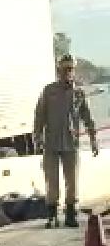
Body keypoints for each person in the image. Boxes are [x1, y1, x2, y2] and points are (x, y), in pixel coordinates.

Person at [33, 54, 99, 228]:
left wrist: (93, 139)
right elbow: (39, 115)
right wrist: (37, 136)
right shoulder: (49, 91)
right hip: (51, 143)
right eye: (64, 69)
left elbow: (87, 117)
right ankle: (52, 215)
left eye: (70, 69)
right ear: (58, 71)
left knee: (72, 180)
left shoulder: (79, 93)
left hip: (71, 142)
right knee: (51, 180)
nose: (67, 73)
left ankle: (70, 214)